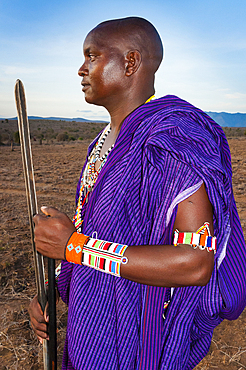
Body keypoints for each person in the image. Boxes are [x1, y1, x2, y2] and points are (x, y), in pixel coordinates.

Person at [29, 17, 246, 370]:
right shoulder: (101, 145)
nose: (81, 69)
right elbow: (96, 236)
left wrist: (74, 247)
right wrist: (50, 290)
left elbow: (195, 263)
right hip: (94, 326)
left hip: (142, 339)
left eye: (92, 56)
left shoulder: (175, 140)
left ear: (130, 62)